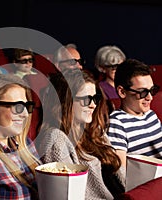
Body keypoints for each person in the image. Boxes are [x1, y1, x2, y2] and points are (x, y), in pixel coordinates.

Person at [36, 69, 125, 199]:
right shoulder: (56, 138)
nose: (93, 105)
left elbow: (120, 177)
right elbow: (69, 193)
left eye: (95, 98)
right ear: (66, 101)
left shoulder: (95, 131)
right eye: (86, 99)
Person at [107, 58, 162, 168]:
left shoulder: (151, 115)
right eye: (142, 92)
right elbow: (121, 173)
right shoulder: (117, 123)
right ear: (122, 92)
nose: (150, 97)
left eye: (151, 90)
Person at [95, 45, 126, 112]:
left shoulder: (127, 84)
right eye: (114, 67)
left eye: (121, 66)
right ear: (103, 68)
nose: (118, 70)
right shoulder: (100, 88)